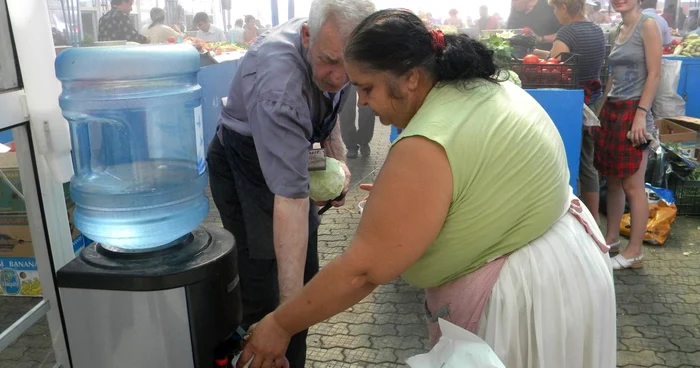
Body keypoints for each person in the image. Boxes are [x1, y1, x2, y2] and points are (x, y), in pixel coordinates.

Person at [237, 9, 616, 368]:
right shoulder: (481, 89)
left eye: (367, 88)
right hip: (566, 265)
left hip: (525, 297)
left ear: (412, 77)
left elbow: (363, 271)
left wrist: (281, 324)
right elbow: (480, 181)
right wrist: (403, 206)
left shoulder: (425, 143)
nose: (364, 103)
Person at [206, 0, 376, 367]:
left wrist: (340, 166)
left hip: (291, 149)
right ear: (306, 36)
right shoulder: (279, 88)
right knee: (265, 284)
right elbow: (292, 202)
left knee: (303, 271)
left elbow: (328, 113)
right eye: (330, 62)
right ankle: (261, 352)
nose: (338, 77)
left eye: (349, 68)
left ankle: (288, 351)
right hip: (243, 160)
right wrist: (285, 320)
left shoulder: (336, 46)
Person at [595, 0, 662, 269]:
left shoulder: (648, 25)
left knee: (633, 186)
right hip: (613, 109)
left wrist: (641, 114)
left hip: (636, 110)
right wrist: (600, 110)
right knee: (612, 181)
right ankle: (611, 239)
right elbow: (613, 74)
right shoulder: (618, 30)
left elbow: (655, 74)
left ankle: (634, 251)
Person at [537, 0, 606, 223]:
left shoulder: (567, 32)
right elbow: (566, 56)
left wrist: (538, 56)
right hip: (592, 101)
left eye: (555, 9)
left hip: (570, 104)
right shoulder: (596, 30)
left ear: (564, 8)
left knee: (564, 158)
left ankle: (566, 218)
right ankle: (594, 220)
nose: (555, 14)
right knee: (588, 162)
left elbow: (553, 65)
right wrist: (535, 49)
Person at [339, 85, 375, 158]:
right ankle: (351, 145)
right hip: (345, 76)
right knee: (346, 109)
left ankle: (364, 141)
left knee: (367, 108)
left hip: (366, 74)